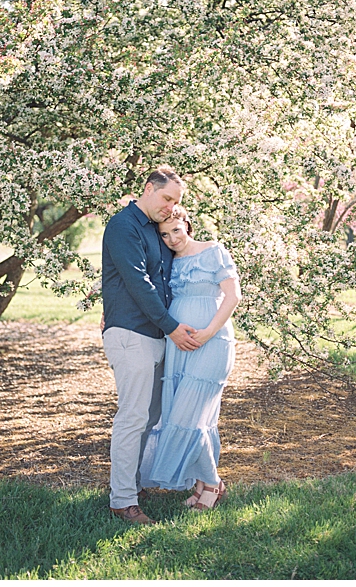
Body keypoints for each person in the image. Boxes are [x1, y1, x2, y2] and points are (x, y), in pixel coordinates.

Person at [102, 166, 201, 525]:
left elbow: (170, 268)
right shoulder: (123, 226)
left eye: (176, 201)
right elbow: (138, 283)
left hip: (155, 334)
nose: (170, 206)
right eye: (167, 198)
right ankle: (122, 500)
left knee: (151, 417)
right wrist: (173, 328)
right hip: (131, 333)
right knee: (132, 417)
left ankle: (133, 483)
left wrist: (178, 219)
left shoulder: (154, 228)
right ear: (148, 189)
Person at [139, 205, 242, 510]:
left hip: (212, 342)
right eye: (165, 234)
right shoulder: (170, 261)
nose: (172, 238)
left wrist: (209, 332)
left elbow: (233, 295)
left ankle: (211, 483)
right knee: (191, 417)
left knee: (189, 417)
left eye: (176, 230)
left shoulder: (213, 251)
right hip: (179, 345)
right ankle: (202, 485)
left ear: (187, 225)